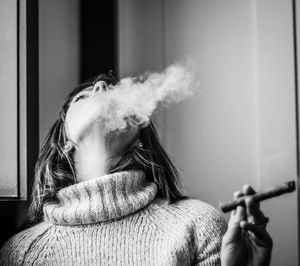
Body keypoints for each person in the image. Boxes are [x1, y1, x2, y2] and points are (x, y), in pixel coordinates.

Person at [0, 73, 272, 265]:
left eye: (115, 92)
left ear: (139, 140)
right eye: (83, 97)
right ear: (64, 145)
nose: (100, 90)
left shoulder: (197, 225)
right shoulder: (20, 253)